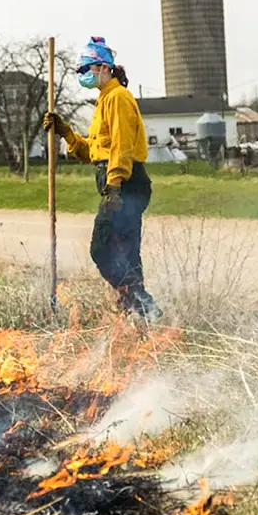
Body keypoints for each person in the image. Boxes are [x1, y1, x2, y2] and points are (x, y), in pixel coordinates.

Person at [44, 36, 162, 321]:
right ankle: (137, 310)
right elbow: (93, 151)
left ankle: (140, 302)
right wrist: (65, 132)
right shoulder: (103, 101)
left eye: (87, 69)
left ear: (103, 67)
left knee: (102, 248)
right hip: (116, 184)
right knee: (123, 250)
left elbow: (121, 146)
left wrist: (114, 185)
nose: (83, 76)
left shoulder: (118, 98)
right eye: (80, 71)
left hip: (126, 184)